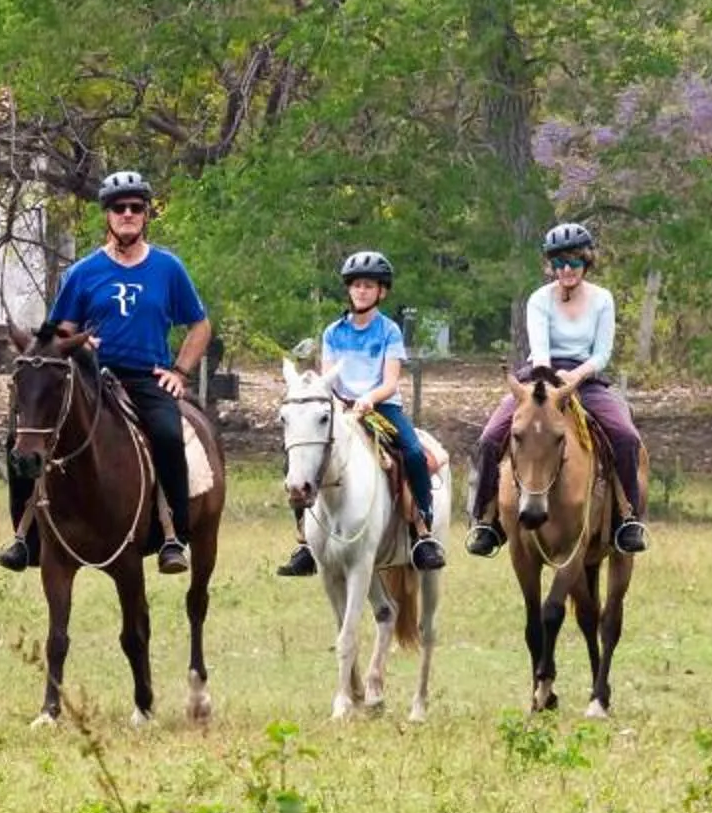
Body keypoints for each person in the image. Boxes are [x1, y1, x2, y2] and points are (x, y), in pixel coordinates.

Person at [0, 170, 213, 575]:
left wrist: (180, 371)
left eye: (136, 207)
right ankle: (26, 538)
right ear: (107, 215)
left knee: (168, 434)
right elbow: (60, 332)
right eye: (119, 207)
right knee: (21, 438)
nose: (128, 214)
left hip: (146, 376)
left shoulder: (168, 268)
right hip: (89, 376)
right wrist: (80, 342)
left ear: (146, 214)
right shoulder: (82, 272)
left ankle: (173, 536)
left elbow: (200, 325)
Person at [463, 222, 648, 557]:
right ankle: (486, 519)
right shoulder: (538, 299)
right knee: (491, 436)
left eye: (574, 262)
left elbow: (602, 353)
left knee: (626, 436)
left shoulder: (602, 299)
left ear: (586, 263)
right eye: (559, 263)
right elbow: (541, 349)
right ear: (550, 266)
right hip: (541, 377)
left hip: (587, 380)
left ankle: (628, 517)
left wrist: (574, 378)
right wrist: (551, 379)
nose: (566, 270)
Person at [276, 250, 447, 576]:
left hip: (381, 405)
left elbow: (391, 381)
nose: (361, 291)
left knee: (411, 451)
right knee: (299, 457)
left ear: (381, 291)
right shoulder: (332, 332)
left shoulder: (389, 331)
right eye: (356, 285)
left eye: (369, 286)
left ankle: (422, 532)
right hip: (340, 408)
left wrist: (368, 398)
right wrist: (338, 404)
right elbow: (328, 378)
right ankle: (304, 542)